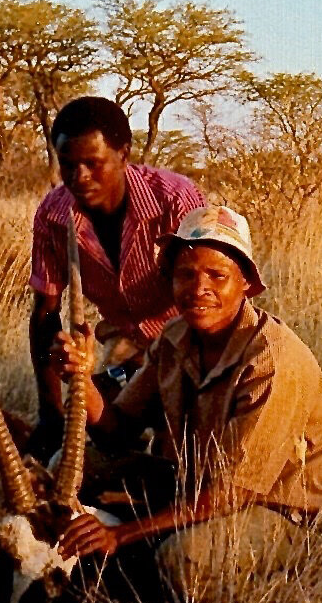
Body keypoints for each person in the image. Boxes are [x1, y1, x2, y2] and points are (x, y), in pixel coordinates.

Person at [50, 205, 322, 603]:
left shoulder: (272, 362)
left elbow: (234, 491)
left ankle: (259, 597)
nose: (198, 288)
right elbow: (116, 431)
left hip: (268, 509)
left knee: (182, 560)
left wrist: (125, 534)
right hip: (190, 483)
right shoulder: (175, 336)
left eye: (217, 276)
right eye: (186, 274)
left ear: (246, 285)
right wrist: (82, 376)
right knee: (66, 464)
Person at [27, 96, 205, 459]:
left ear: (124, 154)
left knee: (181, 460)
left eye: (93, 164)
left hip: (189, 345)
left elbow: (206, 294)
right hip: (125, 347)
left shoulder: (175, 199)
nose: (79, 178)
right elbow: (45, 311)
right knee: (85, 442)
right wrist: (50, 411)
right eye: (67, 165)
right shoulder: (52, 215)